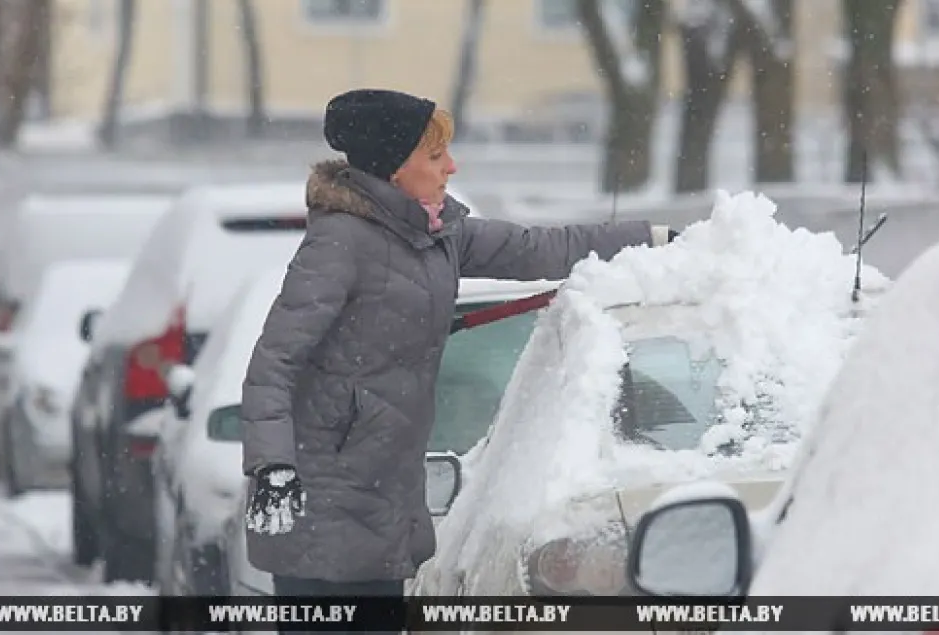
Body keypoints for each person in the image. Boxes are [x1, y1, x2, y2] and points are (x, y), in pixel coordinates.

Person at [238, 88, 676, 619]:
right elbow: (273, 363)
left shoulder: (436, 233)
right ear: (394, 168)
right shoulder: (340, 244)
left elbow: (538, 247)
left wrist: (652, 239)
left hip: (382, 499)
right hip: (325, 500)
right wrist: (273, 467)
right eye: (434, 155)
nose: (452, 165)